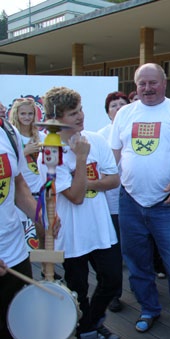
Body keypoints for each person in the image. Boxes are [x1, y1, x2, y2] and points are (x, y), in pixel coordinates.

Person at [110, 63, 170, 339]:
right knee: (138, 264)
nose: (147, 88)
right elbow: (117, 152)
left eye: (153, 83)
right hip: (130, 202)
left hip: (168, 201)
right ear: (136, 85)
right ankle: (149, 309)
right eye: (142, 84)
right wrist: (129, 178)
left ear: (164, 82)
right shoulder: (125, 114)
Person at [41, 86, 122, 339]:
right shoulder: (50, 150)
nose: (80, 116)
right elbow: (75, 198)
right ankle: (85, 328)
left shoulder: (95, 139)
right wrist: (80, 158)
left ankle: (88, 324)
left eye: (81, 110)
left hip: (100, 228)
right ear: (57, 119)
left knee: (112, 281)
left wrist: (89, 181)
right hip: (71, 234)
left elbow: (114, 180)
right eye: (73, 113)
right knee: (78, 288)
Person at [0, 116, 47, 339]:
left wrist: (42, 219)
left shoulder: (8, 132)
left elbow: (19, 187)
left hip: (15, 253)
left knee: (19, 326)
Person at [97, 91, 130, 313]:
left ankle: (142, 289)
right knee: (114, 252)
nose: (118, 108)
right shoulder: (100, 136)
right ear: (107, 112)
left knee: (138, 249)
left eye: (122, 104)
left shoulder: (135, 130)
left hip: (133, 199)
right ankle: (114, 294)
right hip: (110, 203)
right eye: (113, 106)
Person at [8, 98, 46, 251]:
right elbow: (10, 163)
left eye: (30, 114)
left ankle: (45, 269)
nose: (27, 117)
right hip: (20, 195)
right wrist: (25, 152)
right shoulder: (11, 137)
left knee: (43, 232)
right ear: (16, 114)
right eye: (23, 113)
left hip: (41, 192)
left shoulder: (42, 137)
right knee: (21, 235)